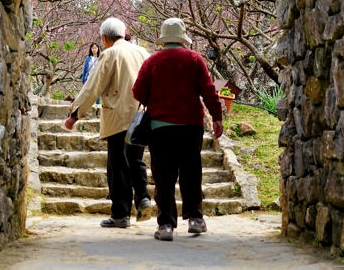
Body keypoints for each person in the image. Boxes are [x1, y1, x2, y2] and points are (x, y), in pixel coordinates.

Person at [132, 18, 224, 242]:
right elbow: (209, 91)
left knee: (164, 175)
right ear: (183, 39)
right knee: (191, 172)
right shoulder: (194, 59)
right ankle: (195, 219)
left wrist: (154, 99)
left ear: (164, 39)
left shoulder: (152, 61)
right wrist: (217, 117)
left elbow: (138, 91)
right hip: (190, 126)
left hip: (160, 127)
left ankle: (165, 225)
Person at [64, 17, 154, 228]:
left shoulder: (110, 53)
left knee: (117, 166)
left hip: (117, 117)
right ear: (124, 33)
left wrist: (75, 114)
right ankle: (142, 197)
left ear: (105, 38)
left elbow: (93, 86)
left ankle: (121, 214)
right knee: (135, 159)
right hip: (141, 115)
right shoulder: (142, 52)